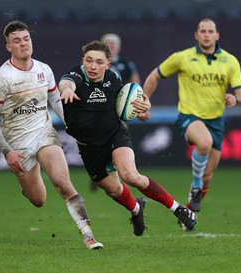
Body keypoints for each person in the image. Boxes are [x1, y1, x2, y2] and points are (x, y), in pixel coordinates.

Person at [0, 20, 103, 250]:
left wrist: (72, 124)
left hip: (44, 133)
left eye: (26, 39)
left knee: (63, 184)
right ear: (8, 47)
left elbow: (55, 100)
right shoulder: (1, 79)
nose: (23, 44)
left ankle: (89, 236)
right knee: (38, 200)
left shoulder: (43, 69)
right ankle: (27, 184)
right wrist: (7, 152)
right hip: (19, 145)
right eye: (16, 41)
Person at [58, 40, 198, 236]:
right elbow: (66, 83)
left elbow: (134, 103)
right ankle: (136, 210)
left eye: (99, 62)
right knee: (114, 190)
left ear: (108, 64)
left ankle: (177, 208)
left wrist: (144, 107)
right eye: (88, 60)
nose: (92, 66)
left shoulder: (114, 80)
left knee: (131, 175)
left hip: (115, 136)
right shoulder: (76, 75)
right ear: (83, 60)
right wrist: (66, 89)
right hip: (89, 148)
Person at [142, 18, 241, 230]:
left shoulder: (230, 61)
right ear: (196, 35)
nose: (207, 34)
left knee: (208, 175)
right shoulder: (182, 57)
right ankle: (196, 184)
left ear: (217, 35)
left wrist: (236, 99)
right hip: (189, 117)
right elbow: (155, 76)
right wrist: (144, 103)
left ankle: (187, 216)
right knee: (204, 143)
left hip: (216, 120)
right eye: (203, 31)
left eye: (211, 31)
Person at [88, 33, 142, 192]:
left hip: (118, 109)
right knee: (97, 142)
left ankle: (113, 171)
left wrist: (133, 97)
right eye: (108, 43)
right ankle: (99, 171)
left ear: (118, 47)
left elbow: (135, 81)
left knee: (119, 137)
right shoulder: (96, 64)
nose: (111, 46)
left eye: (113, 43)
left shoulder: (126, 64)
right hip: (98, 108)